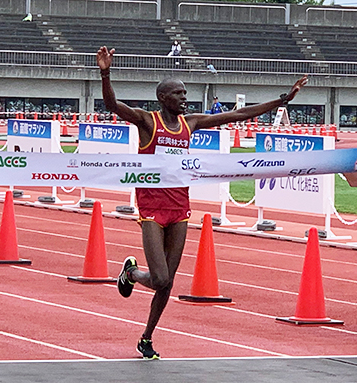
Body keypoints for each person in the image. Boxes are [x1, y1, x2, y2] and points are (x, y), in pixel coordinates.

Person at [97, 45, 308, 360]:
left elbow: (237, 115)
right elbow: (112, 104)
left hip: (180, 208)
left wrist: (282, 100)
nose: (185, 98)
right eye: (179, 94)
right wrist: (105, 72)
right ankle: (131, 274)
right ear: (163, 99)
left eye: (185, 93)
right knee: (160, 278)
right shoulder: (147, 122)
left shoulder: (190, 123)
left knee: (167, 283)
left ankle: (146, 338)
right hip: (152, 209)